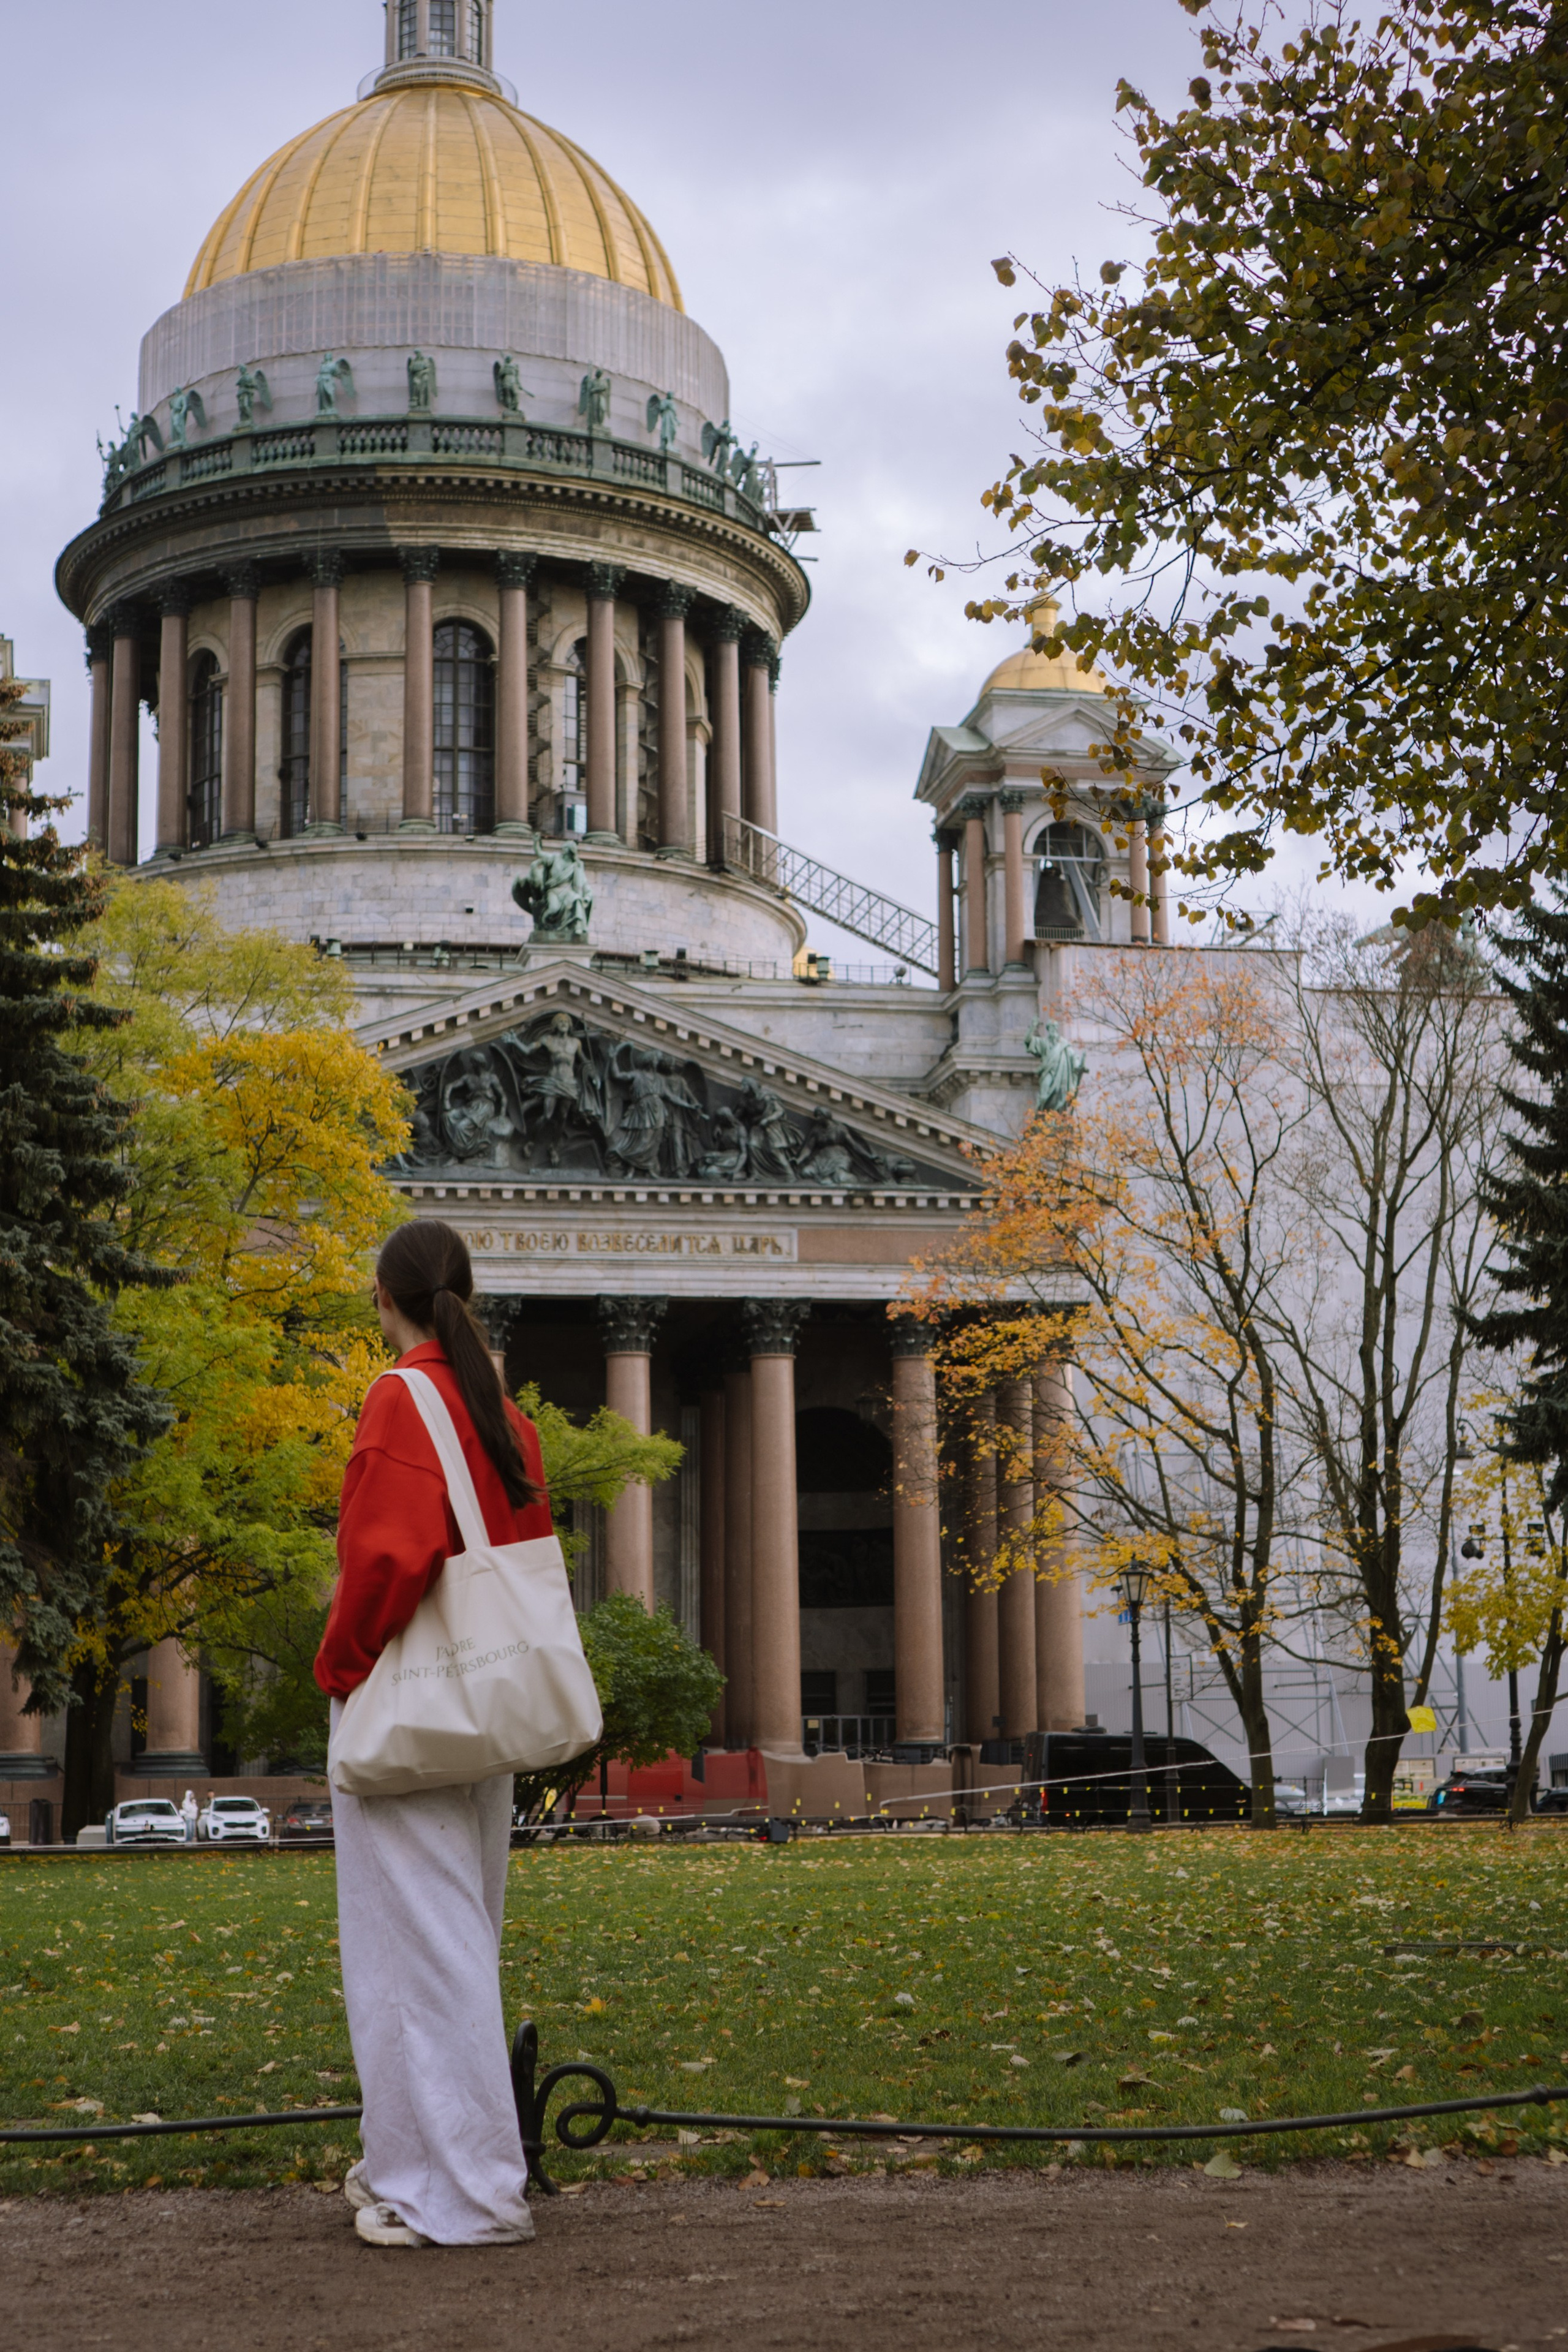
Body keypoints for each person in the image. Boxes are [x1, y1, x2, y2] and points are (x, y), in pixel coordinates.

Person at [314, 1218, 552, 2250]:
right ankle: (410, 2170)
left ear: (384, 1297)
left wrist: (340, 1669)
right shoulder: (504, 1412)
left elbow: (383, 1562)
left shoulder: (399, 1398)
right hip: (484, 1699)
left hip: (404, 1697)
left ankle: (469, 2195)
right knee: (453, 1937)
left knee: (413, 1949)